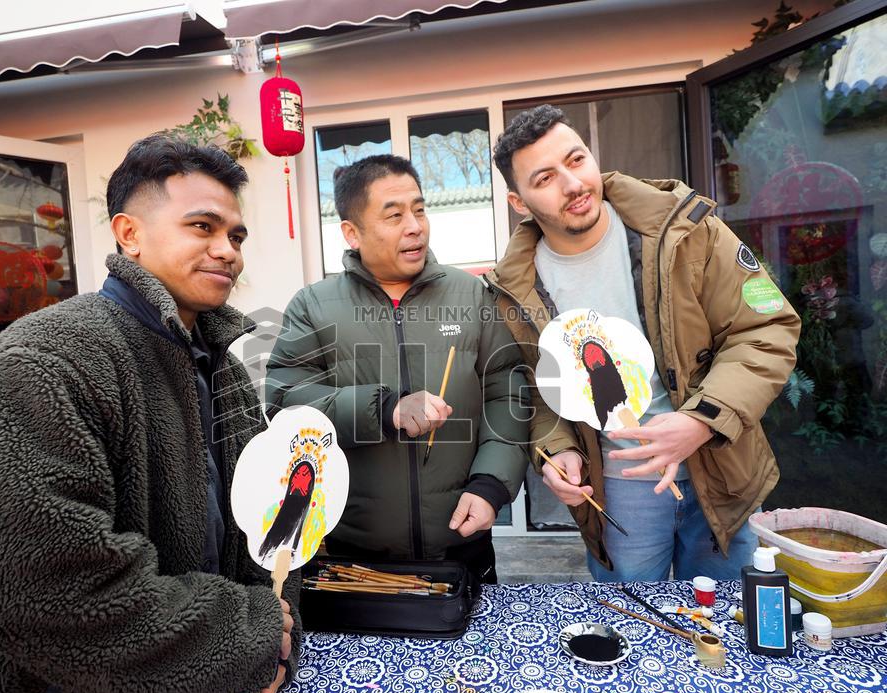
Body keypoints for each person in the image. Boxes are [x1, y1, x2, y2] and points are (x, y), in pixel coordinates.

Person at [0, 133, 300, 693]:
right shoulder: (45, 360)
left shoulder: (225, 371)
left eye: (236, 236)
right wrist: (241, 637)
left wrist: (273, 640)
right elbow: (25, 584)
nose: (227, 251)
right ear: (129, 234)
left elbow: (264, 526)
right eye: (202, 226)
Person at [487, 105, 800, 582]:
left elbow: (766, 329)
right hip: (620, 486)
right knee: (632, 622)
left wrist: (702, 419)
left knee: (729, 616)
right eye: (545, 178)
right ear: (519, 202)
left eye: (576, 160)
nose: (572, 184)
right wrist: (557, 451)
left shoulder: (685, 227)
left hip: (721, 464)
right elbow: (537, 390)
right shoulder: (515, 288)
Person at [265, 155, 529, 583]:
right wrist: (385, 409)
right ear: (352, 233)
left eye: (419, 210)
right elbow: (285, 402)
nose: (415, 226)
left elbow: (508, 391)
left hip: (462, 542)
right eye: (394, 215)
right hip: (354, 555)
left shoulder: (471, 295)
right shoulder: (314, 306)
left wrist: (490, 485)